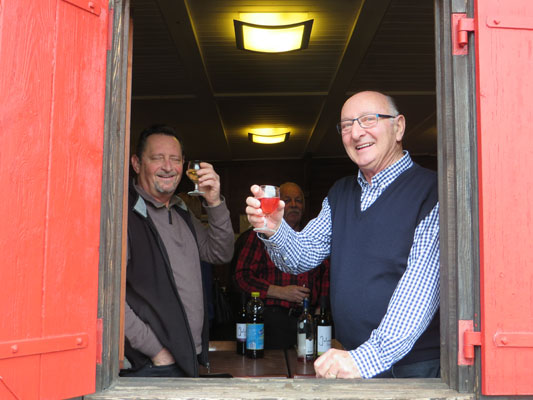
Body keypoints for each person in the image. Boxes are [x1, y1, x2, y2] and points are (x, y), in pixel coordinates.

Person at [245, 91, 440, 379]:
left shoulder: (433, 191)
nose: (356, 133)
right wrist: (275, 229)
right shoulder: (340, 193)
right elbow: (302, 255)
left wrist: (365, 359)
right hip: (352, 357)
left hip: (411, 367)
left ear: (398, 127)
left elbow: (420, 290)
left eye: (368, 119)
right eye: (347, 125)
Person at [122, 124, 234, 377]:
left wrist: (214, 202)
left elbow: (220, 253)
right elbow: (108, 298)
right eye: (157, 158)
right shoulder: (124, 214)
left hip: (188, 356)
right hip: (151, 364)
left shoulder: (181, 211)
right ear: (137, 163)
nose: (168, 167)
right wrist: (155, 351)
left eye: (175, 159)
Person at [234, 182, 330, 349]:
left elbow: (327, 276)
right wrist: (279, 292)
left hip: (309, 320)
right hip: (273, 319)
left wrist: (320, 310)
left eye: (298, 200)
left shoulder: (314, 237)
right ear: (278, 205)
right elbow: (242, 277)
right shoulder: (260, 235)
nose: (294, 205)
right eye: (287, 200)